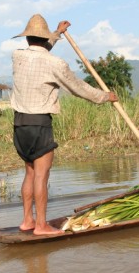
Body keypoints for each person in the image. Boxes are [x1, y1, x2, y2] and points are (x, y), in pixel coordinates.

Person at [10, 14, 118, 235]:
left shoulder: (17, 56)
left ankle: (27, 221)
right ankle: (41, 226)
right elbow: (78, 87)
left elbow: (40, 52)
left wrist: (57, 34)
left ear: (27, 38)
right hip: (40, 123)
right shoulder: (55, 63)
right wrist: (105, 97)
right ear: (44, 36)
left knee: (29, 173)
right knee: (41, 175)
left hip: (19, 124)